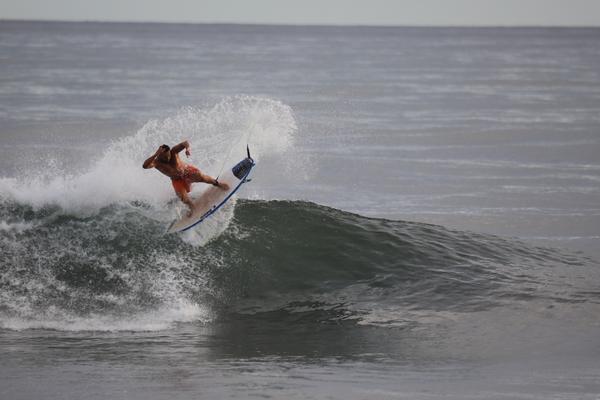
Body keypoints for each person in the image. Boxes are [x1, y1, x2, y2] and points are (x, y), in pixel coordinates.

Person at [143, 140, 229, 214]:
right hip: (177, 180)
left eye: (168, 156)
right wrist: (155, 154)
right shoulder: (156, 162)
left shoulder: (173, 151)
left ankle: (217, 184)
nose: (168, 158)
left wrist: (187, 149)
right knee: (183, 198)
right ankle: (193, 208)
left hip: (187, 171)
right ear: (159, 155)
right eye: (165, 157)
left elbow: (185, 143)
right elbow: (145, 166)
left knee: (201, 177)